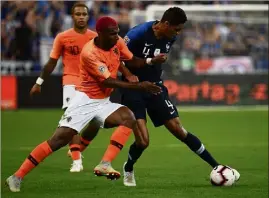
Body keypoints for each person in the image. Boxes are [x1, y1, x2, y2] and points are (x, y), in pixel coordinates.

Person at [5, 16, 163, 193]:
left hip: (103, 102)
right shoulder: (90, 53)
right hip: (84, 101)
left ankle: (105, 164)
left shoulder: (116, 42)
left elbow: (131, 59)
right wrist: (139, 86)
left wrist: (151, 61)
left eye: (117, 32)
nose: (117, 37)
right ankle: (16, 176)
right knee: (58, 140)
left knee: (128, 117)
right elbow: (108, 82)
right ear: (101, 34)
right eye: (112, 34)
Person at [30, 2, 167, 174]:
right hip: (76, 86)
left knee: (106, 122)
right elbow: (52, 62)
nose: (81, 17)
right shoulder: (69, 40)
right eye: (77, 14)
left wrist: (142, 65)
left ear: (88, 17)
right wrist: (39, 82)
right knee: (64, 134)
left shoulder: (104, 37)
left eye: (84, 14)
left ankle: (101, 161)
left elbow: (119, 59)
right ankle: (75, 160)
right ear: (72, 16)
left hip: (100, 93)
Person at [116, 7, 240, 186]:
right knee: (143, 142)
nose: (178, 33)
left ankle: (217, 167)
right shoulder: (137, 34)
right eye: (177, 28)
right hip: (134, 89)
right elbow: (116, 57)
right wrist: (128, 75)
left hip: (155, 88)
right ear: (166, 24)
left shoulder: (170, 37)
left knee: (179, 130)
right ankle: (128, 167)